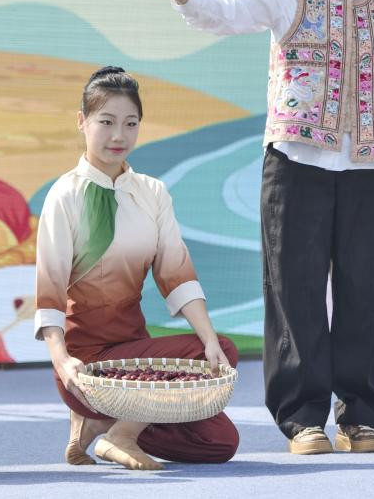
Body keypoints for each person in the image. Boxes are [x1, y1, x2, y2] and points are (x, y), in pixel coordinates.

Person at [138, 0, 374, 455]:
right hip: (296, 165)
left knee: (367, 293)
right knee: (295, 292)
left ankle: (361, 417)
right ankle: (304, 419)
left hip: (368, 168)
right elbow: (231, 10)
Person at [35, 66, 239, 471]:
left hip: (135, 366)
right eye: (106, 122)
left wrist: (209, 341)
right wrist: (62, 361)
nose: (119, 136)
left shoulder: (152, 193)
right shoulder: (64, 196)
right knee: (227, 350)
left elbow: (178, 277)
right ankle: (119, 434)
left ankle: (101, 424)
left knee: (219, 442)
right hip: (87, 368)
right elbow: (49, 291)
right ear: (82, 122)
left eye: (130, 124)